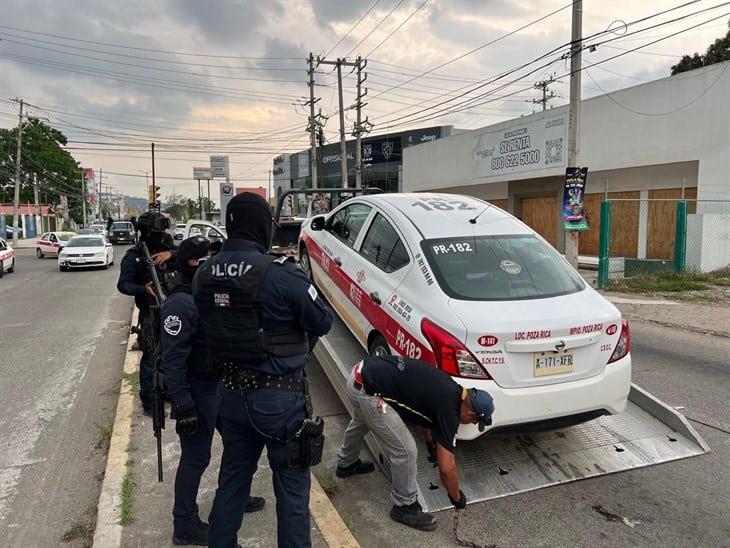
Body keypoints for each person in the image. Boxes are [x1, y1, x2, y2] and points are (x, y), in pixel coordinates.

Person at [194, 192, 333, 548]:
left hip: (230, 396)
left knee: (232, 483)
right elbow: (322, 321)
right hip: (279, 399)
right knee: (291, 492)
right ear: (263, 227)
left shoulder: (204, 274)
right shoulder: (281, 274)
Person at [160, 236, 265, 546]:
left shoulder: (205, 293)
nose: (213, 264)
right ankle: (185, 524)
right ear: (192, 263)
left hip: (219, 385)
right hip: (197, 389)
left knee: (238, 445)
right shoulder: (180, 302)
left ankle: (235, 496)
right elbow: (173, 360)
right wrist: (183, 405)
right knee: (196, 458)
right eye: (206, 258)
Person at [336, 356, 495, 531]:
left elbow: (426, 415)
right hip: (367, 391)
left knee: (363, 419)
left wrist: (431, 445)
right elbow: (447, 469)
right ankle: (404, 506)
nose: (471, 424)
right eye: (474, 421)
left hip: (361, 372)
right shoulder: (450, 412)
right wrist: (456, 497)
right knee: (406, 451)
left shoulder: (452, 390)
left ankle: (346, 463)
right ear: (470, 413)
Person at [116, 210, 176, 414]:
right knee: (152, 358)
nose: (161, 234)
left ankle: (168, 393)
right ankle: (151, 403)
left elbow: (186, 256)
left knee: (173, 356)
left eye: (163, 230)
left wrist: (171, 254)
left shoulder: (167, 248)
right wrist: (144, 289)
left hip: (173, 310)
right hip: (151, 313)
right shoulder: (135, 255)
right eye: (157, 230)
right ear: (147, 231)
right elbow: (123, 285)